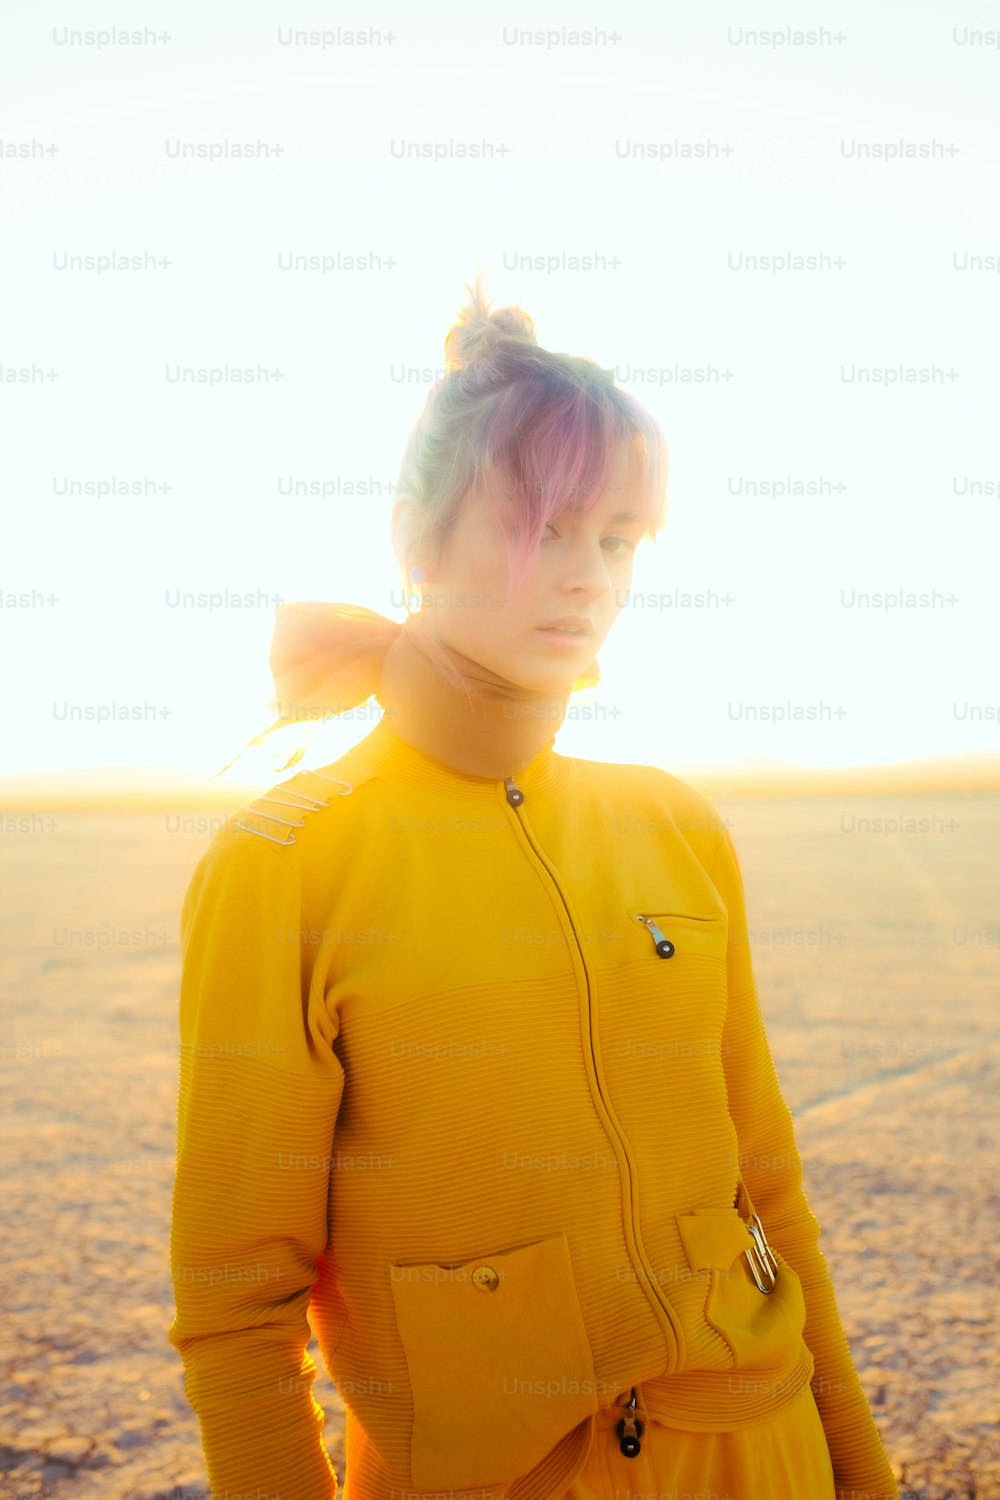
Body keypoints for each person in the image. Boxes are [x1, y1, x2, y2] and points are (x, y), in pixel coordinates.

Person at [167, 274, 901, 1500]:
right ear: (415, 536)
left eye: (616, 538)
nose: (586, 575)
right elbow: (237, 1303)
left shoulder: (670, 822)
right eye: (541, 526)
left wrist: (859, 1477)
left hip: (762, 1454)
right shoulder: (285, 863)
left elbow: (767, 1187)